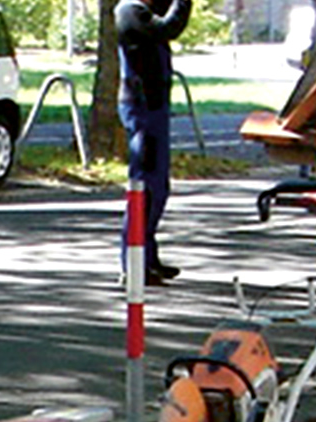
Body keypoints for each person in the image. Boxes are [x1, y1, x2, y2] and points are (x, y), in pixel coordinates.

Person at [116, 0, 192, 283]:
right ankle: (133, 263)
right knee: (144, 188)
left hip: (154, 107)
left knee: (158, 187)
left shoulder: (145, 10)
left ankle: (148, 256)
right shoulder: (129, 11)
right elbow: (169, 27)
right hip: (142, 108)